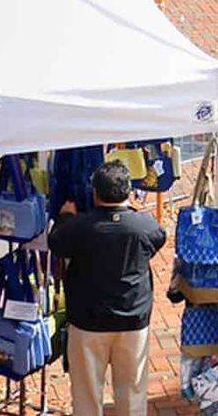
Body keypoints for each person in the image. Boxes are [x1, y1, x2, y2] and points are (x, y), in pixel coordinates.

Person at [48, 159, 166, 416]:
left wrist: (65, 216)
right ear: (128, 191)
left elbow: (56, 242)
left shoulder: (79, 227)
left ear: (95, 193)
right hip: (133, 320)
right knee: (132, 395)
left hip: (88, 322)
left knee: (86, 397)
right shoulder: (143, 225)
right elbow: (159, 238)